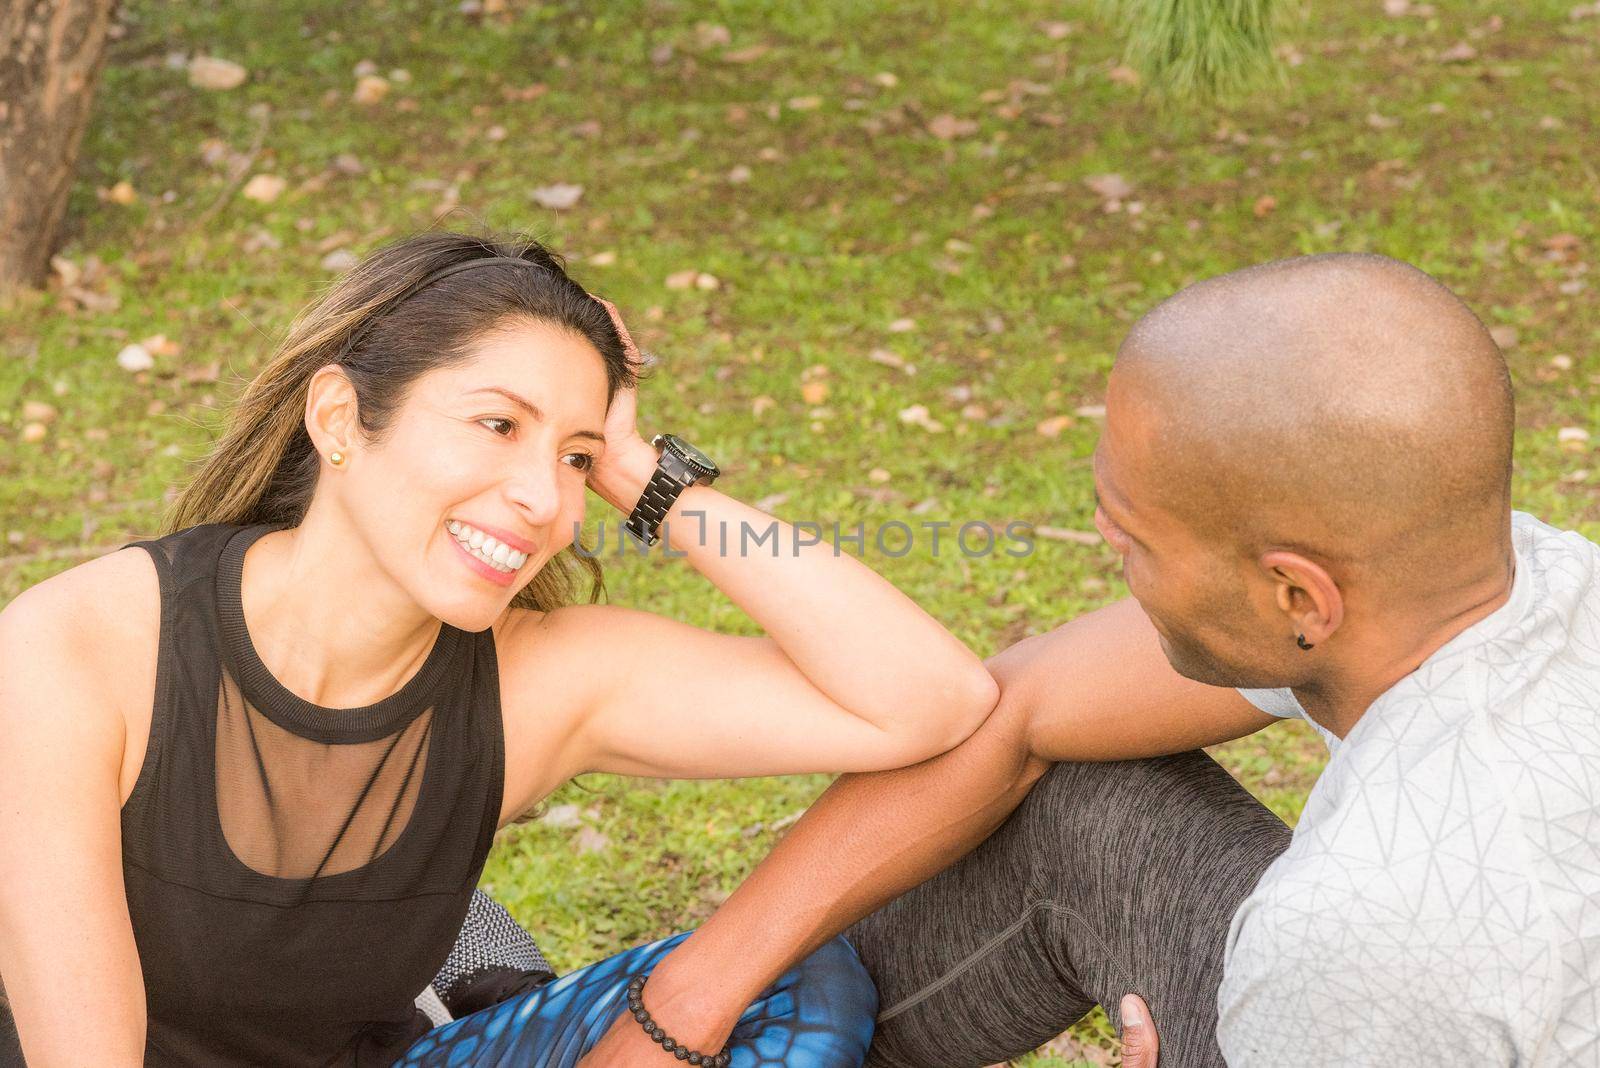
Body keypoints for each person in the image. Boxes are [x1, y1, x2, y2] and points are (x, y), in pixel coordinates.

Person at [0, 231, 1001, 1068]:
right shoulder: (73, 656)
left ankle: (476, 968)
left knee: (793, 987)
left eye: (570, 457)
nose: (543, 501)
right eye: (496, 424)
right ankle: (480, 960)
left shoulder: (538, 681)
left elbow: (930, 699)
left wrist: (641, 474)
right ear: (339, 417)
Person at [583, 252, 1600, 1067]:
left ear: (1297, 596)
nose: (1106, 549)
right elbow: (1022, 709)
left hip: (1382, 998)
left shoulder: (1363, 938)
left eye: (1132, 538)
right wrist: (676, 1015)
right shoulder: (1527, 574)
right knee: (1083, 796)